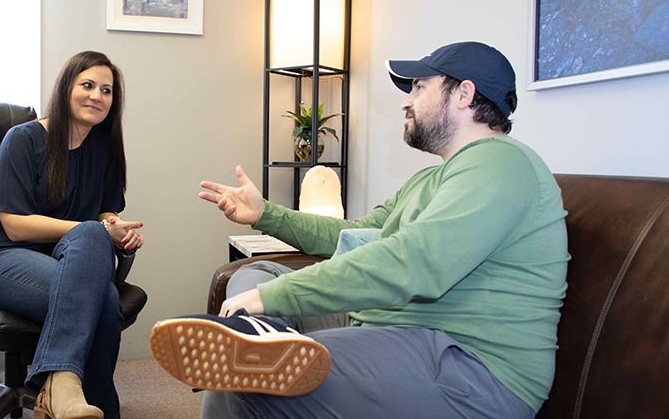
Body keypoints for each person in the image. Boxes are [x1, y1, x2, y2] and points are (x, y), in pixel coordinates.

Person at [151, 41, 569, 418]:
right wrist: (265, 215)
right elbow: (351, 235)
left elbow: (415, 261)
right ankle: (270, 341)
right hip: (397, 332)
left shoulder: (501, 163)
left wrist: (272, 297)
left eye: (420, 87)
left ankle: (267, 347)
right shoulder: (430, 180)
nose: (407, 101)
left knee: (245, 380)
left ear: (464, 94)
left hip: (471, 371)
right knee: (254, 276)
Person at [0, 51, 144, 419]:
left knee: (100, 269)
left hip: (68, 261)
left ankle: (68, 398)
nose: (97, 96)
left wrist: (114, 227)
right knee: (105, 300)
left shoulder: (103, 149)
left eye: (107, 90)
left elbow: (104, 211)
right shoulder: (24, 138)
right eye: (88, 85)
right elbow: (14, 224)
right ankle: (70, 391)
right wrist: (95, 229)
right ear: (66, 88)